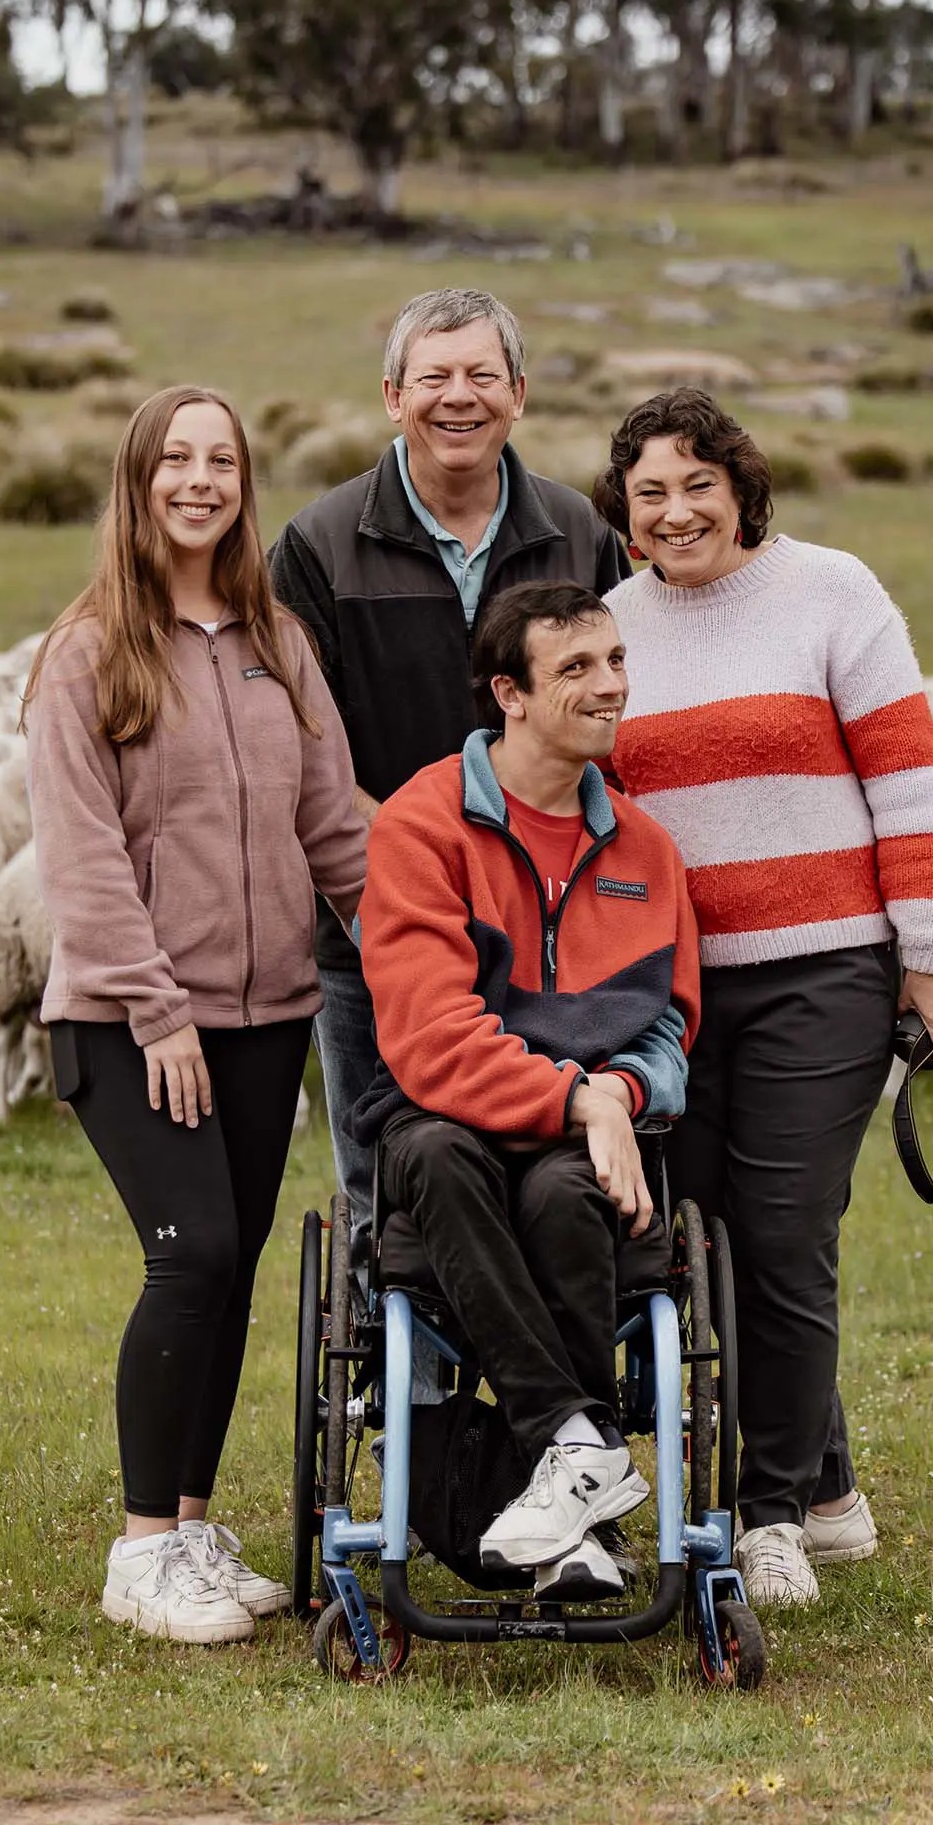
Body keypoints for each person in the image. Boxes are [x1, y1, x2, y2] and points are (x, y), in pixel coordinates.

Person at [593, 388, 933, 1610]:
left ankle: (766, 1518)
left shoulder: (832, 592)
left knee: (783, 1228)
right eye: (650, 493)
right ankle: (830, 1487)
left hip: (826, 967)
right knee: (697, 1237)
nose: (675, 510)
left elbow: (908, 778)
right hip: (676, 984)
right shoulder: (609, 625)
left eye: (696, 484)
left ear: (741, 487)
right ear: (626, 514)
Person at [25, 385, 371, 1644]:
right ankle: (140, 1551)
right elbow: (82, 859)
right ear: (138, 479)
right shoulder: (88, 651)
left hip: (268, 1012)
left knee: (230, 1277)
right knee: (195, 1255)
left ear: (243, 484)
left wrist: (440, 931)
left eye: (221, 458)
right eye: (175, 458)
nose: (199, 479)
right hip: (130, 1020)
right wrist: (157, 1009)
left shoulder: (277, 641)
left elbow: (335, 826)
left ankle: (192, 1521)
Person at [350, 581, 700, 1601]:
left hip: (580, 1142)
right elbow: (427, 1035)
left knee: (560, 1192)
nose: (612, 685)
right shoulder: (425, 825)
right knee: (432, 1152)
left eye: (618, 660)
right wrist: (577, 1096)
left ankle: (569, 1480)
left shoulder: (646, 848)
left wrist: (622, 1093)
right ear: (508, 691)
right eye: (578, 668)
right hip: (451, 1120)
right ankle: (580, 1439)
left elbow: (672, 1024)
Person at [270, 288, 633, 1259]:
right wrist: (408, 878)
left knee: (553, 1156)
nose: (456, 397)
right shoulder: (317, 544)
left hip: (556, 927)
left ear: (518, 394)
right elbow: (302, 747)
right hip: (372, 925)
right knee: (387, 1169)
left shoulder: (579, 534)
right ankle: (407, 1392)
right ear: (393, 395)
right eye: (433, 377)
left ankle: (559, 1375)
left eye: (481, 375)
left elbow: (619, 712)